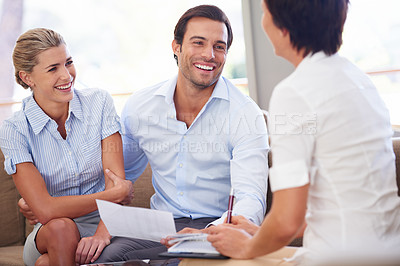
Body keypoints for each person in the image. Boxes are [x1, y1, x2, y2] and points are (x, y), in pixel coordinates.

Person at [206, 0, 400, 264]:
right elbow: (334, 202)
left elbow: (287, 220)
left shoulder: (294, 93)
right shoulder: (361, 82)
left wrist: (245, 248)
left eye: (265, 12)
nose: (263, 22)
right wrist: (259, 233)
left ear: (284, 26)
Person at [95, 4, 269, 262]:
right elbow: (118, 179)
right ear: (176, 47)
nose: (209, 54)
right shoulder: (141, 107)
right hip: (158, 226)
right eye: (198, 43)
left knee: (178, 262)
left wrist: (211, 233)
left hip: (216, 225)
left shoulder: (245, 114)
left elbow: (251, 197)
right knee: (107, 258)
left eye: (219, 47)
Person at [0, 28, 134, 266]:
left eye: (68, 63)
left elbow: (117, 180)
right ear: (27, 77)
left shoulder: (99, 103)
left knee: (46, 264)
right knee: (62, 227)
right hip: (51, 231)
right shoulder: (14, 130)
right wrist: (111, 195)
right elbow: (45, 211)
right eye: (53, 69)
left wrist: (102, 234)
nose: (67, 75)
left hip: (106, 224)